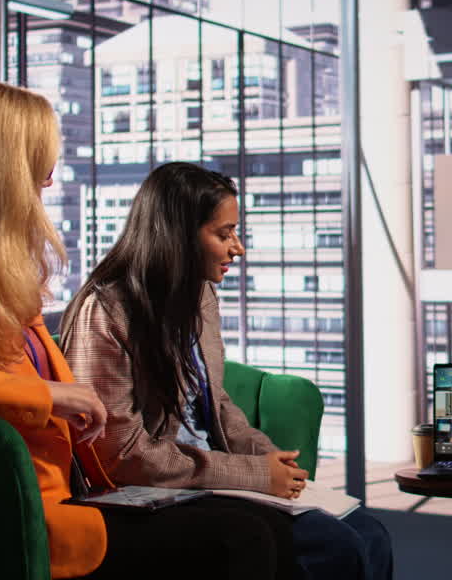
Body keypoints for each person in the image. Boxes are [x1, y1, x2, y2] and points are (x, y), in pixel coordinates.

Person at [0, 80, 291, 580]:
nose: (47, 185)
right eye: (39, 169)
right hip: (26, 522)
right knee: (242, 539)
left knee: (265, 529)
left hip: (74, 494)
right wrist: (49, 395)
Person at [62, 162, 392, 580]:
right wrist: (253, 474)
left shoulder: (199, 297)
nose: (238, 248)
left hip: (207, 481)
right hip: (147, 492)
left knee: (371, 533)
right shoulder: (106, 312)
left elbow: (214, 402)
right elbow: (120, 456)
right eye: (224, 234)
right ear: (179, 236)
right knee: (334, 545)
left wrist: (266, 455)